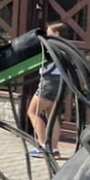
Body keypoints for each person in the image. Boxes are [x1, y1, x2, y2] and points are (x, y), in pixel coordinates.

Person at [28, 22, 71, 158]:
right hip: (61, 83)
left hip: (49, 82)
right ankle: (54, 149)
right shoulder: (65, 48)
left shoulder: (50, 47)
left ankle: (43, 147)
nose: (46, 35)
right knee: (52, 115)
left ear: (56, 34)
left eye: (49, 32)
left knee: (33, 112)